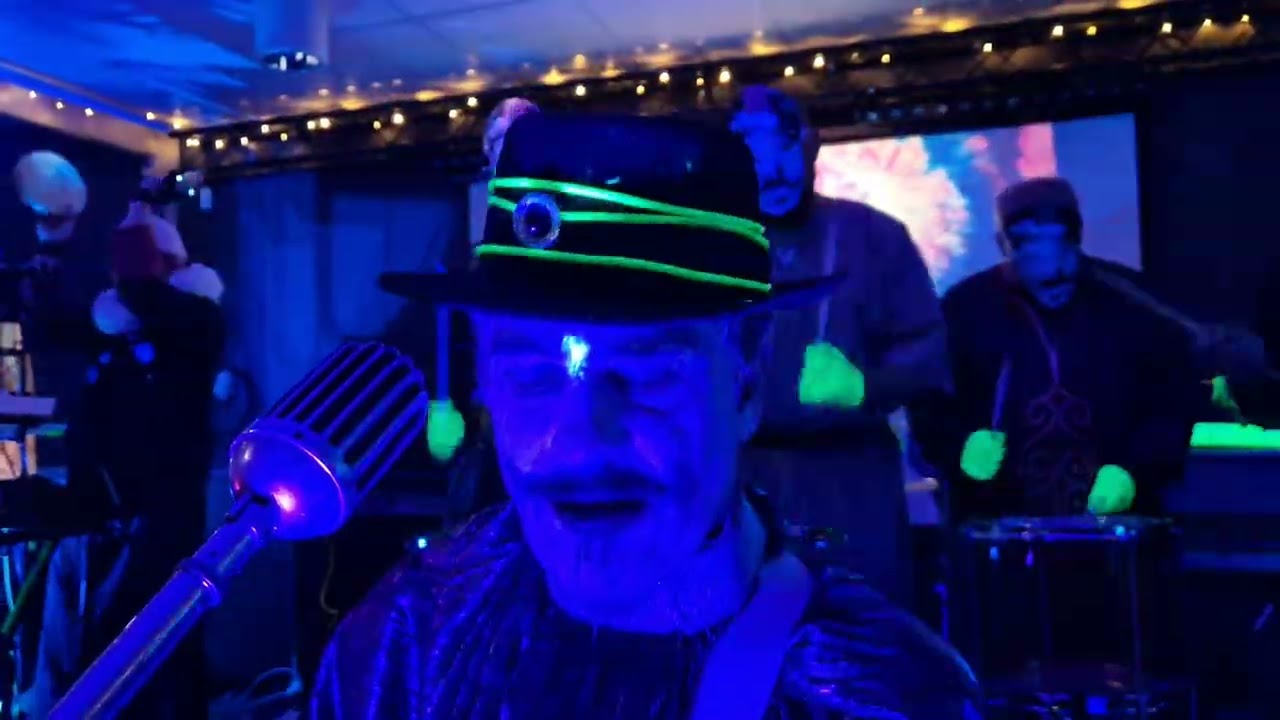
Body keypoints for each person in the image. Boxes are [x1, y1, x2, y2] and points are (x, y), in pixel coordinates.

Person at [312, 113, 980, 718]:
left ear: (745, 376)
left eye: (648, 371)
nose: (580, 444)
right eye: (531, 374)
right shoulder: (405, 644)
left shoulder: (881, 695)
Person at [729, 86, 948, 609]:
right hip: (745, 480)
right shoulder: (718, 249)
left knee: (865, 624)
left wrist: (865, 386)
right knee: (752, 630)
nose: (772, 172)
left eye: (784, 148)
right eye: (752, 155)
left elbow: (927, 350)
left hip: (852, 482)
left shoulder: (875, 236)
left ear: (811, 146)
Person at [29, 193, 225, 719]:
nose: (119, 276)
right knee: (102, 639)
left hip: (161, 514)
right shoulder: (118, 329)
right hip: (105, 509)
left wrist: (136, 232)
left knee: (155, 638)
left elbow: (147, 299)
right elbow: (49, 328)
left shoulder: (196, 320)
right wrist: (51, 249)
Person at [910, 176, 1198, 521]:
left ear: (1078, 236)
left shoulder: (1134, 305)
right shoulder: (964, 309)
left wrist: (1136, 470)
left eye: (1062, 245)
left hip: (1116, 525)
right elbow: (928, 403)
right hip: (998, 525)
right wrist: (959, 447)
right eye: (1028, 247)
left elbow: (1173, 403)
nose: (1052, 271)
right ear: (1003, 245)